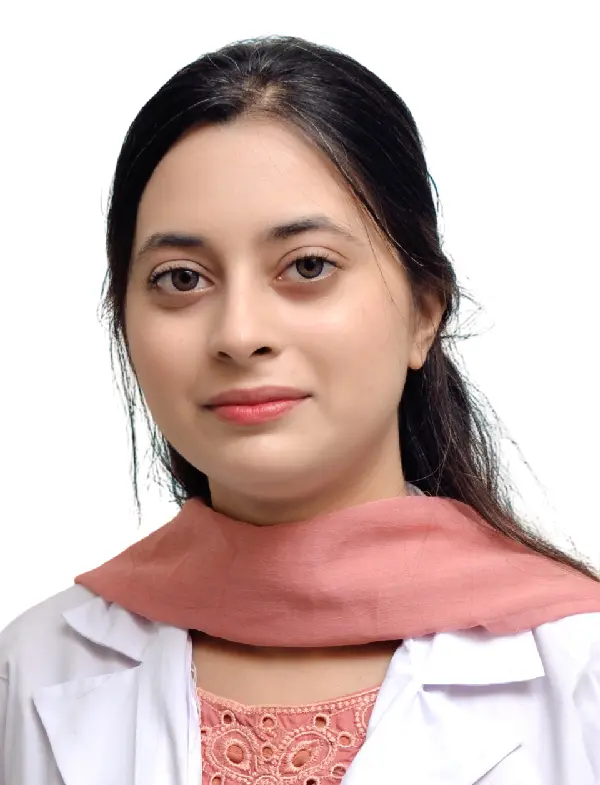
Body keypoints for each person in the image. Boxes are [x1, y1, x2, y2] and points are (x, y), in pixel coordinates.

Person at [1, 34, 599, 785]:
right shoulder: (30, 669)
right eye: (181, 278)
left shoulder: (580, 665)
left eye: (308, 266)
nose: (239, 333)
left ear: (424, 312)